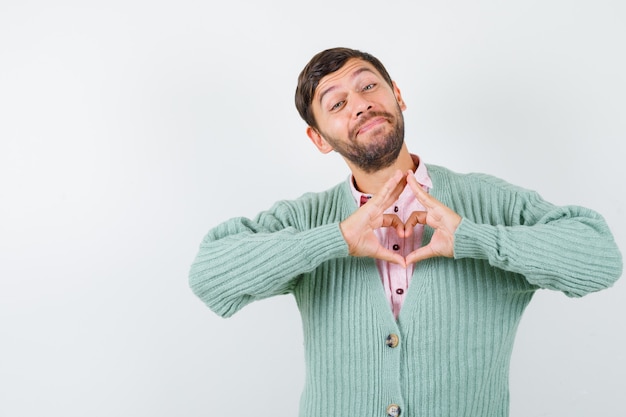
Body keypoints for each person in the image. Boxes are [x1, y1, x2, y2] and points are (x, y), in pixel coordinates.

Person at [189, 47, 623, 417]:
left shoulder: (489, 202)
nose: (359, 103)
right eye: (336, 104)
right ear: (319, 139)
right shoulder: (308, 217)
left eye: (368, 86)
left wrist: (477, 239)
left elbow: (600, 258)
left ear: (397, 96)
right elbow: (210, 276)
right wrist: (333, 239)